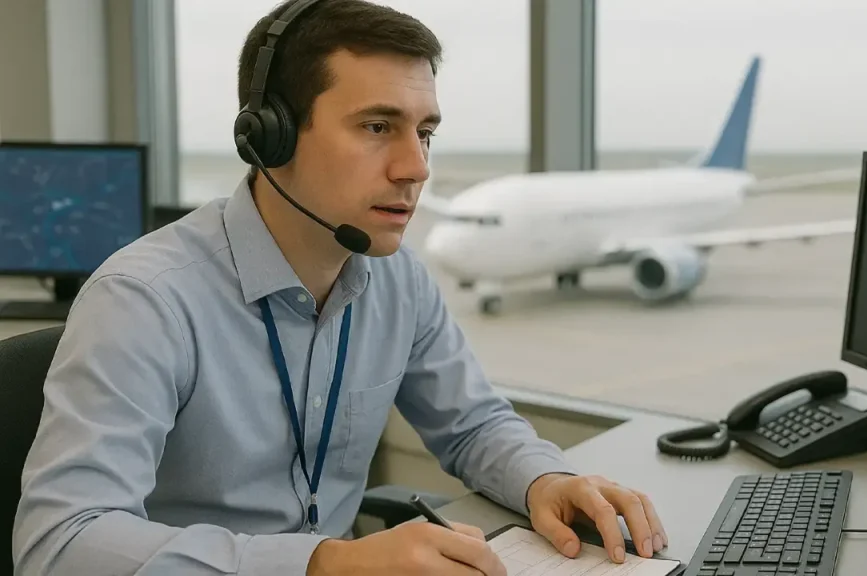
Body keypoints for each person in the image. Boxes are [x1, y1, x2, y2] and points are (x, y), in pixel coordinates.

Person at [12, 1, 669, 575]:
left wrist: (544, 479)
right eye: (378, 127)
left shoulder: (397, 277)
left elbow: (472, 424)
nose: (416, 168)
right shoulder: (145, 301)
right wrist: (322, 561)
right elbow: (60, 544)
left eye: (426, 133)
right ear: (267, 135)